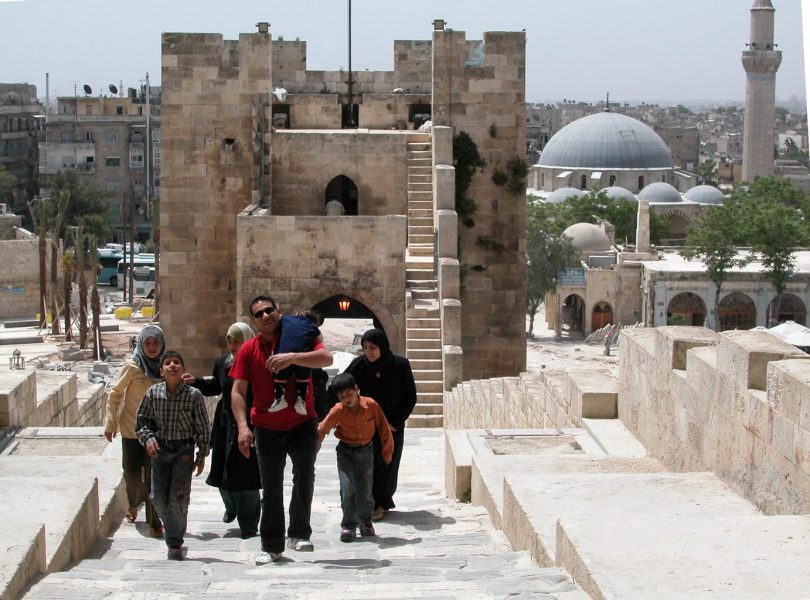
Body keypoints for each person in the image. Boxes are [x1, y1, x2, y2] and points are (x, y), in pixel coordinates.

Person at [230, 294, 333, 565]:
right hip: (266, 426)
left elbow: (326, 359)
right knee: (272, 488)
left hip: (302, 423)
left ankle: (298, 534)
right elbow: (238, 392)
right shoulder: (249, 349)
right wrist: (243, 427)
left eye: (269, 310)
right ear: (253, 320)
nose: (265, 316)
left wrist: (292, 357)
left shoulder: (300, 336)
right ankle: (271, 545)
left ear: (279, 312)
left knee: (304, 477)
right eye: (259, 313)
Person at [182, 322, 261, 539]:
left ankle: (249, 524)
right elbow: (216, 386)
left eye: (237, 340)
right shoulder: (222, 363)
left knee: (247, 473)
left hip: (248, 421)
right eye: (229, 339)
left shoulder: (256, 362)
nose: (232, 344)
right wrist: (196, 382)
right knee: (222, 470)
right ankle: (232, 506)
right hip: (225, 422)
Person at [136, 350, 211, 560]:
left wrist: (202, 454)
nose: (172, 366)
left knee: (178, 497)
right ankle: (172, 525)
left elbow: (203, 426)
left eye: (176, 362)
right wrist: (148, 439)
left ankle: (175, 542)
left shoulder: (193, 395)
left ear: (183, 369)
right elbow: (141, 422)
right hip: (160, 451)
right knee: (158, 497)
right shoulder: (153, 394)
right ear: (161, 370)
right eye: (167, 363)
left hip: (183, 453)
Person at [344, 328, 416, 521]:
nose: (369, 352)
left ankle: (383, 499)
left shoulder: (400, 365)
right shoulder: (358, 366)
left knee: (389, 463)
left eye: (373, 347)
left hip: (392, 426)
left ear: (382, 346)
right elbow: (342, 386)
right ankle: (375, 503)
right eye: (365, 348)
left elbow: (410, 396)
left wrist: (395, 421)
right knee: (371, 464)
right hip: (366, 425)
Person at [104, 324, 165, 537]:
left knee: (152, 477)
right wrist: (110, 423)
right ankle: (133, 502)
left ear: (162, 344)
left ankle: (154, 522)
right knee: (131, 473)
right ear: (141, 344)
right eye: (147, 342)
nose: (151, 347)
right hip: (131, 430)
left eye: (155, 342)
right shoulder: (132, 366)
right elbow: (115, 394)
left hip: (156, 433)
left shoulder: (166, 366)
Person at [317, 373, 393, 542]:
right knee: (348, 488)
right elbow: (322, 429)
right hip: (345, 452)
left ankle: (366, 521)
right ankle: (348, 525)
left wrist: (387, 453)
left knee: (365, 488)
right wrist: (312, 451)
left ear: (356, 389)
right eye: (342, 396)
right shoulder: (337, 411)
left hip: (366, 451)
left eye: (349, 394)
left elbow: (384, 428)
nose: (346, 399)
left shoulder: (371, 405)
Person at [269, 310, 322, 415]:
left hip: (283, 355)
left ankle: (279, 399)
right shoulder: (313, 327)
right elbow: (320, 339)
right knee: (303, 378)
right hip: (302, 359)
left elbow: (278, 319)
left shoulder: (287, 319)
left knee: (279, 376)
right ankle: (301, 401)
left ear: (298, 314)